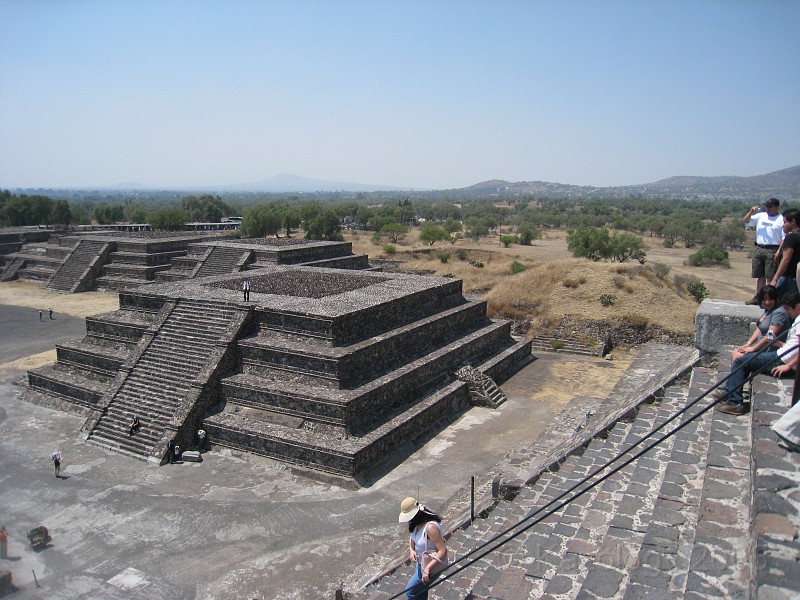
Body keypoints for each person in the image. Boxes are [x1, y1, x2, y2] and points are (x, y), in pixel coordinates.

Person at [714, 291, 800, 415]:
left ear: (797, 306)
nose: (787, 312)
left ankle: (735, 402)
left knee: (741, 361)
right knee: (745, 359)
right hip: (781, 355)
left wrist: (788, 365)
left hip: (781, 359)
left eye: (788, 309)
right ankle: (730, 392)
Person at [398, 497, 448, 599]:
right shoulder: (415, 524)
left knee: (410, 592)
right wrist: (411, 550)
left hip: (431, 566)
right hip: (421, 563)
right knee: (421, 591)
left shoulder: (430, 527)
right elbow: (413, 537)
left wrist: (427, 569)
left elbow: (442, 550)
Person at [729, 285, 790, 364]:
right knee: (735, 352)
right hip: (761, 347)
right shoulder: (768, 310)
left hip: (770, 351)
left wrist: (753, 348)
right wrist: (748, 344)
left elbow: (770, 336)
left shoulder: (779, 313)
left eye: (770, 299)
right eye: (765, 299)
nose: (767, 302)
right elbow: (760, 328)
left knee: (737, 356)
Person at [743, 198, 784, 305]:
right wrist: (751, 212)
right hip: (759, 247)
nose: (768, 209)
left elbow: (784, 237)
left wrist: (779, 250)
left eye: (770, 207)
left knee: (770, 276)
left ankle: (770, 299)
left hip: (772, 249)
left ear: (776, 207)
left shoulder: (781, 219)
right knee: (760, 275)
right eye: (767, 206)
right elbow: (746, 221)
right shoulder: (761, 215)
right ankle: (758, 297)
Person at [770, 208, 800, 300]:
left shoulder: (791, 237)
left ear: (793, 222)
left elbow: (786, 259)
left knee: (775, 307)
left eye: (785, 222)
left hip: (789, 279)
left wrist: (775, 279)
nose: (783, 225)